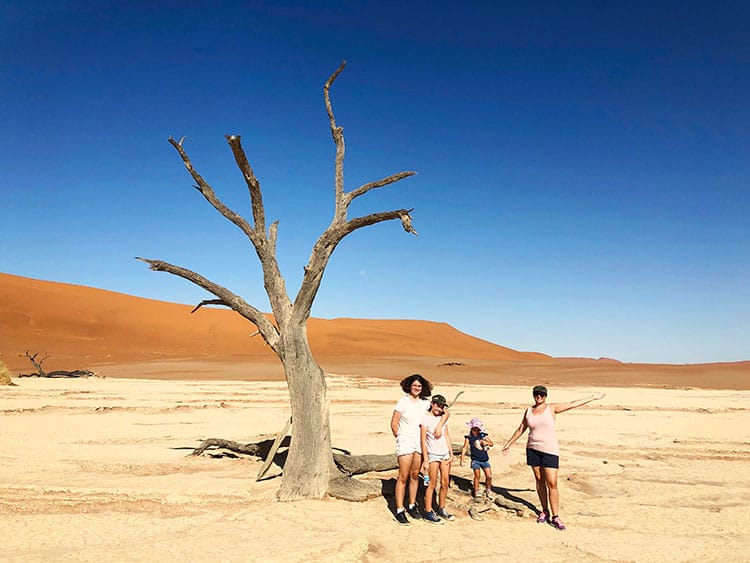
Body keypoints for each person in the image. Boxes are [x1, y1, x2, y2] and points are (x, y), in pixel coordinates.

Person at [501, 385, 605, 530]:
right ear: (533, 395)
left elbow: (572, 404)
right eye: (536, 394)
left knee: (552, 483)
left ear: (546, 396)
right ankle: (544, 511)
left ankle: (556, 516)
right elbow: (521, 428)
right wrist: (508, 444)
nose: (539, 396)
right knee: (539, 481)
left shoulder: (552, 408)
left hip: (549, 450)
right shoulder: (529, 411)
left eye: (542, 394)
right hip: (532, 449)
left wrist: (593, 397)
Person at [390, 374, 449, 525]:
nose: (417, 388)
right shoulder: (403, 402)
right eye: (415, 385)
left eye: (420, 386)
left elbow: (445, 412)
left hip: (421, 443)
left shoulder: (426, 403)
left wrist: (439, 425)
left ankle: (411, 505)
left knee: (415, 475)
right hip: (406, 441)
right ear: (409, 386)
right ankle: (399, 509)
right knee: (403, 476)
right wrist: (400, 438)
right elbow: (394, 423)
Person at [420, 394, 455, 524]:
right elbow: (423, 440)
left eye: (441, 407)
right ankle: (428, 511)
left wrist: (451, 453)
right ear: (432, 404)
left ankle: (441, 508)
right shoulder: (425, 419)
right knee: (432, 484)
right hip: (433, 455)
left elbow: (447, 436)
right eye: (437, 405)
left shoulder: (442, 419)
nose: (439, 408)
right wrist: (426, 459)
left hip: (444, 454)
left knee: (445, 483)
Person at [459, 417, 494, 499]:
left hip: (485, 459)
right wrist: (462, 459)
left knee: (489, 476)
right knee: (477, 476)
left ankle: (488, 489)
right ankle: (476, 490)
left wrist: (486, 442)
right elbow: (464, 447)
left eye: (478, 429)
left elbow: (492, 444)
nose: (476, 430)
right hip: (475, 460)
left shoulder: (483, 435)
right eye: (475, 429)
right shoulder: (469, 437)